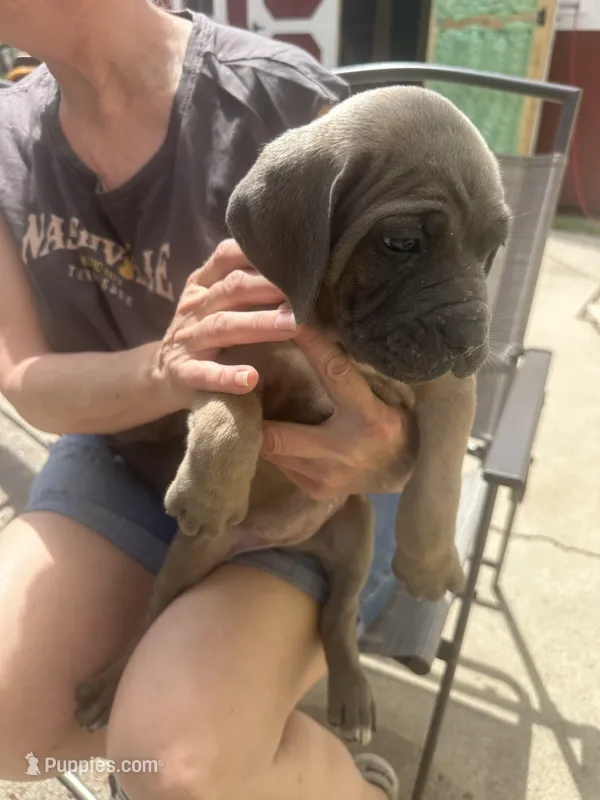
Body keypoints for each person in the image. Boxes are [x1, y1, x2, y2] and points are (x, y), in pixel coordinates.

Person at [0, 2, 416, 798]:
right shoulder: (8, 139)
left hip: (308, 480)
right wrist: (167, 370)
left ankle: (336, 781)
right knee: (18, 724)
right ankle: (243, 750)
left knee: (173, 772)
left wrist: (391, 447)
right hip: (131, 456)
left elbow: (432, 357)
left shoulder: (289, 108)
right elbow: (24, 378)